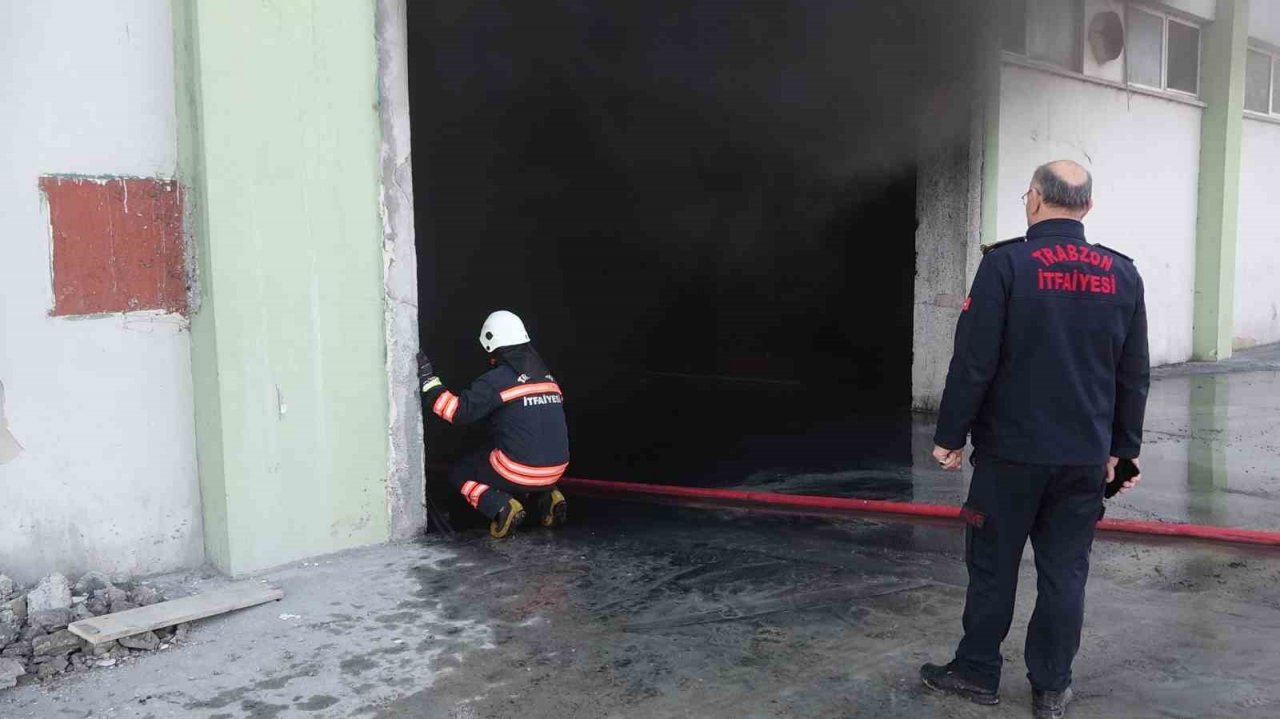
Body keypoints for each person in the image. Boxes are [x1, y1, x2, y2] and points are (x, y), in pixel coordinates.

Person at [920, 160, 1150, 718]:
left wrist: (951, 435)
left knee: (994, 567)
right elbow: (1133, 372)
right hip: (1083, 459)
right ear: (1087, 207)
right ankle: (1051, 688)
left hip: (1011, 456)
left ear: (1035, 200)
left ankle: (976, 672)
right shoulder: (1123, 274)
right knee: (1065, 573)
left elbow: (974, 362)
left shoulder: (1006, 266)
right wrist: (1124, 451)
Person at [418, 310, 570, 538]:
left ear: (492, 345)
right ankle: (549, 496)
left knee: (460, 473)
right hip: (556, 470)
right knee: (518, 454)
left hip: (519, 471)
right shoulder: (549, 379)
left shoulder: (497, 380)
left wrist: (428, 380)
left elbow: (456, 412)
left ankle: (500, 506)